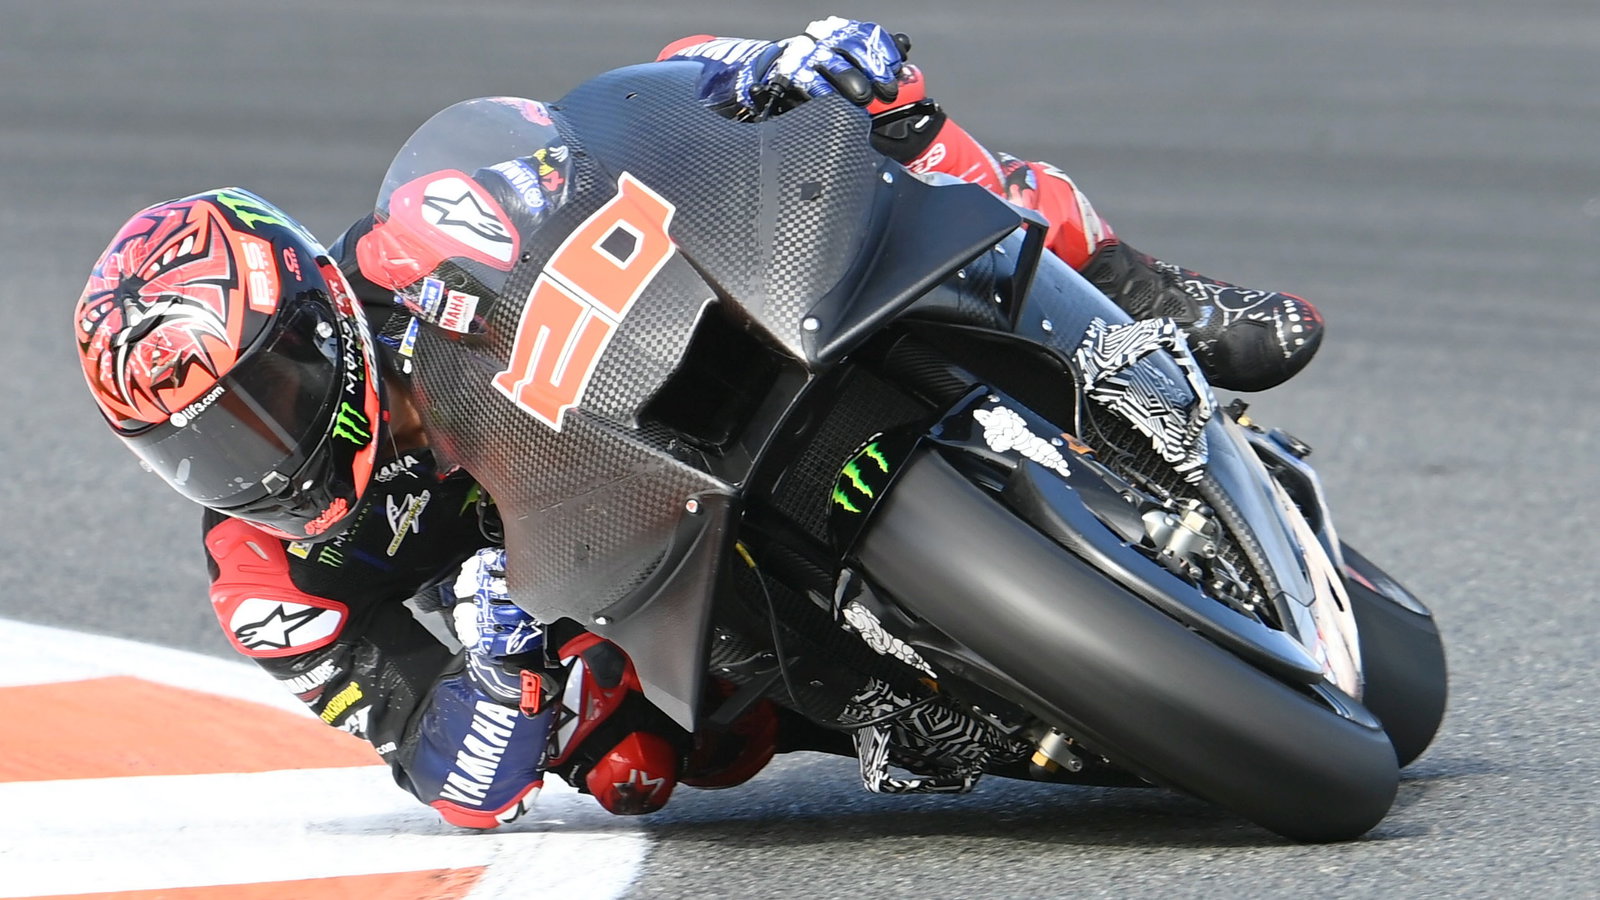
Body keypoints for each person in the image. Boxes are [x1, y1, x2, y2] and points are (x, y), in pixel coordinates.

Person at [71, 17, 1322, 830]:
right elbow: (443, 769)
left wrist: (762, 74)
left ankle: (1143, 295)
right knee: (637, 767)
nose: (258, 456)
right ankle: (936, 697)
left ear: (315, 320)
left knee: (861, 99)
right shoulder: (268, 577)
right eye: (203, 448)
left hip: (694, 344)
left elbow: (625, 125)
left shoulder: (423, 236)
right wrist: (501, 676)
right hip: (611, 579)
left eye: (266, 400)